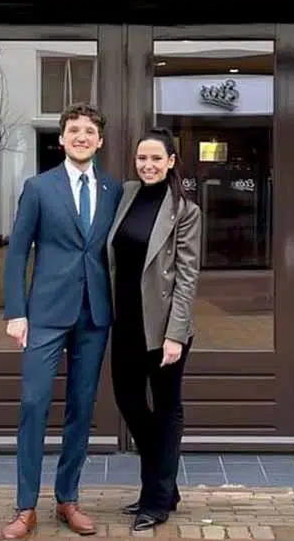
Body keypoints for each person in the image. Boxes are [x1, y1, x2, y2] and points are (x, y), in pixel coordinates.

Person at [1, 103, 123, 540]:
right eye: (74, 130)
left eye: (90, 131)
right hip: (45, 314)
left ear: (100, 140)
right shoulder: (38, 187)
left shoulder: (113, 190)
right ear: (62, 138)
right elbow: (17, 252)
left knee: (81, 408)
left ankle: (68, 498)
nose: (82, 137)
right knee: (34, 404)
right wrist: (16, 311)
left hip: (94, 315)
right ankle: (24, 506)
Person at [106, 127, 202, 532]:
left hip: (163, 328)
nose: (148, 165)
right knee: (128, 401)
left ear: (171, 162)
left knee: (167, 411)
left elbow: (186, 276)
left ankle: (157, 499)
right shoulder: (125, 195)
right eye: (142, 158)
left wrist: (175, 335)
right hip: (124, 321)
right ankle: (165, 482)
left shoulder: (185, 211)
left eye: (156, 159)